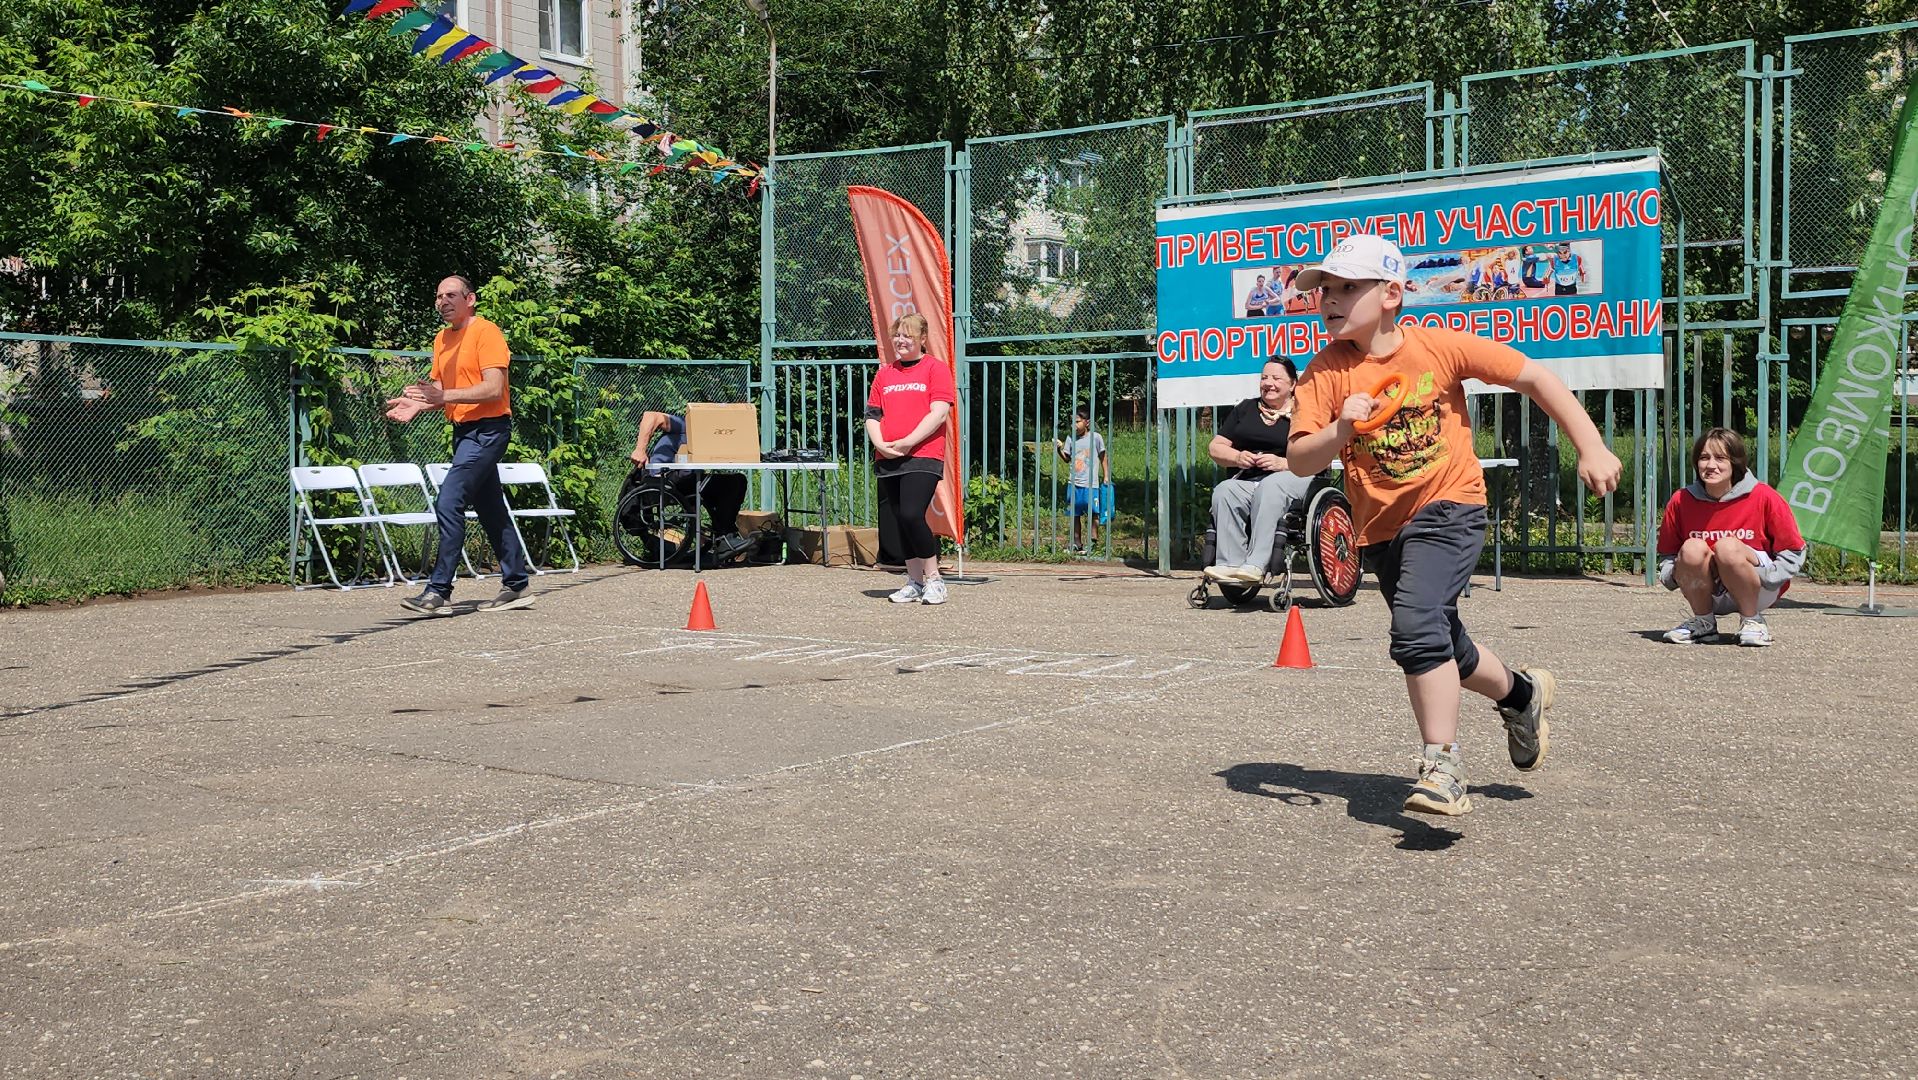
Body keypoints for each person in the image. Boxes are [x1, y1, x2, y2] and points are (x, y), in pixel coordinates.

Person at [1286, 235, 1622, 818]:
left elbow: (1535, 379)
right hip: (1382, 529)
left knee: (1416, 628)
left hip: (1451, 506)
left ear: (1391, 292)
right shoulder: (1324, 373)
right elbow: (1299, 460)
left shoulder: (1440, 348)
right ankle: (1522, 694)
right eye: (1325, 290)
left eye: (1346, 287)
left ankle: (1442, 765)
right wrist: (1340, 431)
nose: (1330, 300)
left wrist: (1590, 446)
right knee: (1442, 642)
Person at [384, 275, 533, 614]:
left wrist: (442, 396)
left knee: (448, 501)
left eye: (451, 295)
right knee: (491, 508)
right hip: (464, 432)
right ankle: (517, 584)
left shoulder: (487, 333)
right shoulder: (441, 339)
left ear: (470, 299)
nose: (443, 302)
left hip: (489, 431)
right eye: (438, 296)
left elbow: (493, 388)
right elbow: (438, 390)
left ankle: (438, 592)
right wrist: (419, 404)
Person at [1656, 428, 1806, 647]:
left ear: (1735, 462)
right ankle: (1703, 623)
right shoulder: (1681, 500)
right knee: (1692, 548)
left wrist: (1770, 577)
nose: (1711, 465)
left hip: (1757, 585)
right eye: (1704, 458)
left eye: (1720, 458)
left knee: (1727, 547)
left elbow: (1793, 549)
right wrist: (1673, 576)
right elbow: (1668, 553)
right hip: (1706, 588)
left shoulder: (1764, 496)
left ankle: (1752, 621)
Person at [865, 313, 955, 605]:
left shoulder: (935, 369)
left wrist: (908, 442)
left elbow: (939, 412)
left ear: (922, 339)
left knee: (911, 514)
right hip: (889, 456)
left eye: (908, 336)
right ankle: (914, 581)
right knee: (897, 520)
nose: (901, 341)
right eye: (897, 336)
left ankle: (935, 579)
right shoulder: (885, 373)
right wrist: (881, 443)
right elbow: (872, 415)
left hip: (923, 455)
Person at [1203, 357, 1313, 582]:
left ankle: (1256, 564)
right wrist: (1237, 456)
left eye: (1276, 378)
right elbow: (1215, 447)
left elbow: (1319, 452)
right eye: (1264, 378)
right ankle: (1230, 565)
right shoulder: (1246, 409)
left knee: (1271, 486)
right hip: (1251, 480)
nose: (1268, 383)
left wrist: (1283, 463)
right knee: (1226, 490)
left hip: (1296, 475)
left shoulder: (1306, 411)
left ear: (1292, 384)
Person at [628, 409, 752, 558]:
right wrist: (640, 450)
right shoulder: (687, 426)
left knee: (735, 481)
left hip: (686, 481)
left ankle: (723, 535)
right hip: (663, 480)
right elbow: (650, 416)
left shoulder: (710, 440)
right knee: (730, 484)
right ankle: (723, 537)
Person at [1054, 405, 1111, 553]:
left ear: (1087, 422)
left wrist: (1106, 475)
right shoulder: (1070, 438)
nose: (1074, 425)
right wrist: (1058, 450)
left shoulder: (1096, 438)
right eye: (1072, 421)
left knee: (1094, 513)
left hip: (1090, 484)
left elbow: (1103, 457)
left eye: (1078, 421)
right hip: (1073, 483)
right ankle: (1077, 543)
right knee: (1075, 514)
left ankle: (1093, 541)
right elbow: (1067, 458)